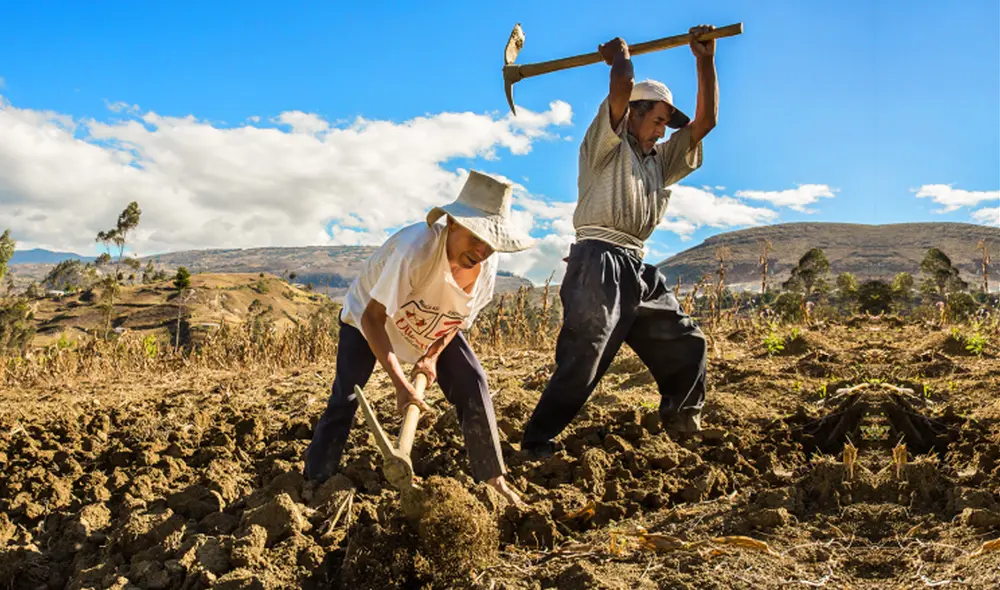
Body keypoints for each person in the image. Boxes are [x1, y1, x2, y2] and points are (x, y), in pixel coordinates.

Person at [520, 25, 720, 458]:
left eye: (666, 125)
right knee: (585, 354)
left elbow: (706, 122)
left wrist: (705, 60)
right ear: (633, 113)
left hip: (637, 266)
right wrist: (620, 58)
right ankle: (537, 441)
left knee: (687, 341)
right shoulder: (604, 146)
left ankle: (683, 423)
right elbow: (623, 85)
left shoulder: (658, 161)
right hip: (597, 260)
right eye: (658, 121)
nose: (663, 133)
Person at [304, 170, 532, 505]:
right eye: (475, 237)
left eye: (490, 242)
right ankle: (316, 480)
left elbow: (457, 319)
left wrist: (431, 357)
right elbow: (373, 318)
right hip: (368, 319)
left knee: (473, 380)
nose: (481, 249)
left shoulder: (487, 265)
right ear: (452, 223)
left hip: (430, 324)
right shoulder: (416, 250)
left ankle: (493, 479)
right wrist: (400, 384)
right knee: (347, 395)